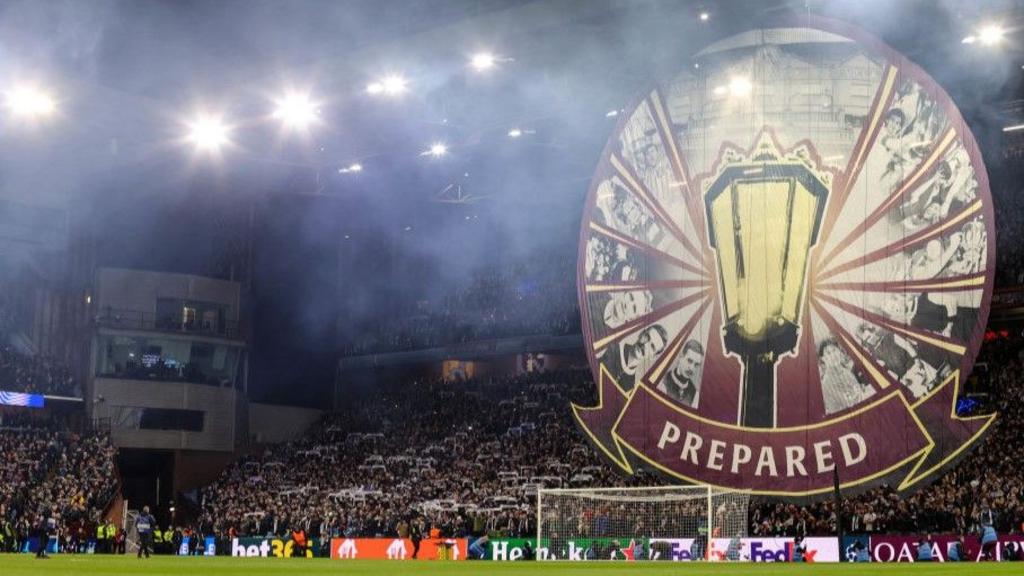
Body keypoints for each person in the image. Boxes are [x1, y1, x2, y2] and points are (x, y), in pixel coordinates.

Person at [657, 339, 704, 407]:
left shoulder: (695, 396)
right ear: (681, 357)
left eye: (696, 365)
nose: (691, 368)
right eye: (689, 361)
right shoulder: (662, 382)